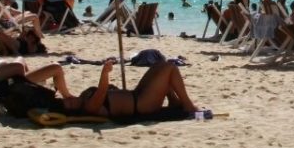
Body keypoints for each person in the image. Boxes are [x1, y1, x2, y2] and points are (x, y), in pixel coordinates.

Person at [58, 58, 201, 121]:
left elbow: (108, 90)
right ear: (74, 111)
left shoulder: (84, 95)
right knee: (169, 68)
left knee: (160, 65)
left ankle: (174, 101)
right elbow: (101, 92)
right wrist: (105, 73)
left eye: (67, 99)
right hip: (142, 105)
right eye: (70, 104)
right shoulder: (89, 108)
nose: (70, 99)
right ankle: (188, 105)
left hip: (137, 94)